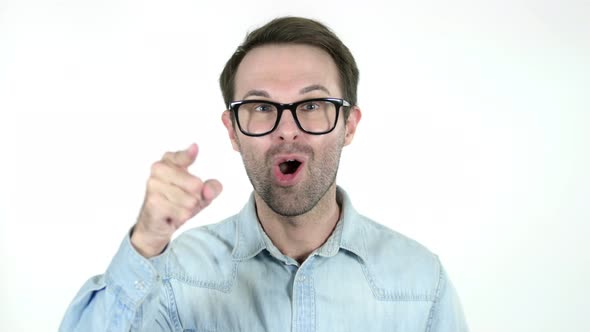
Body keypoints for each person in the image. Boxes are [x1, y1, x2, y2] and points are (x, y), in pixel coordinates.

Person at [60, 16, 468, 331]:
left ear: (350, 125)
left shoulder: (420, 279)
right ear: (233, 132)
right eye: (260, 108)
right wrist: (147, 241)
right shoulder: (174, 274)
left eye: (311, 105)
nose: (286, 129)